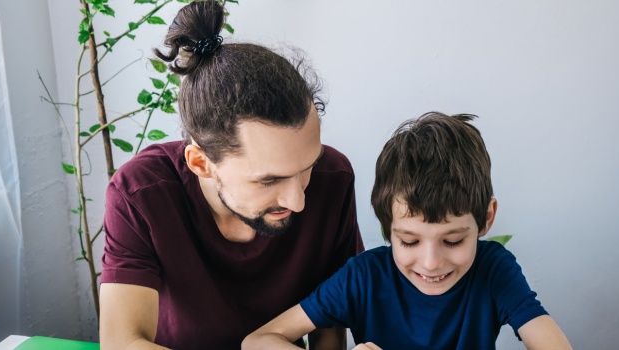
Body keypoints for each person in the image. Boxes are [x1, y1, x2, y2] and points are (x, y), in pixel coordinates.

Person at [98, 1, 364, 349]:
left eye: (307, 167)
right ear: (200, 162)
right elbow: (123, 342)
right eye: (269, 180)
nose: (298, 201)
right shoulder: (140, 192)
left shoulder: (334, 179)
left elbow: (330, 321)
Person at [243, 112, 573, 350]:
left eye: (453, 240)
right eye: (409, 241)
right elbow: (257, 341)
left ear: (486, 219)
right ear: (388, 227)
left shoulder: (494, 270)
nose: (430, 262)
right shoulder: (363, 278)